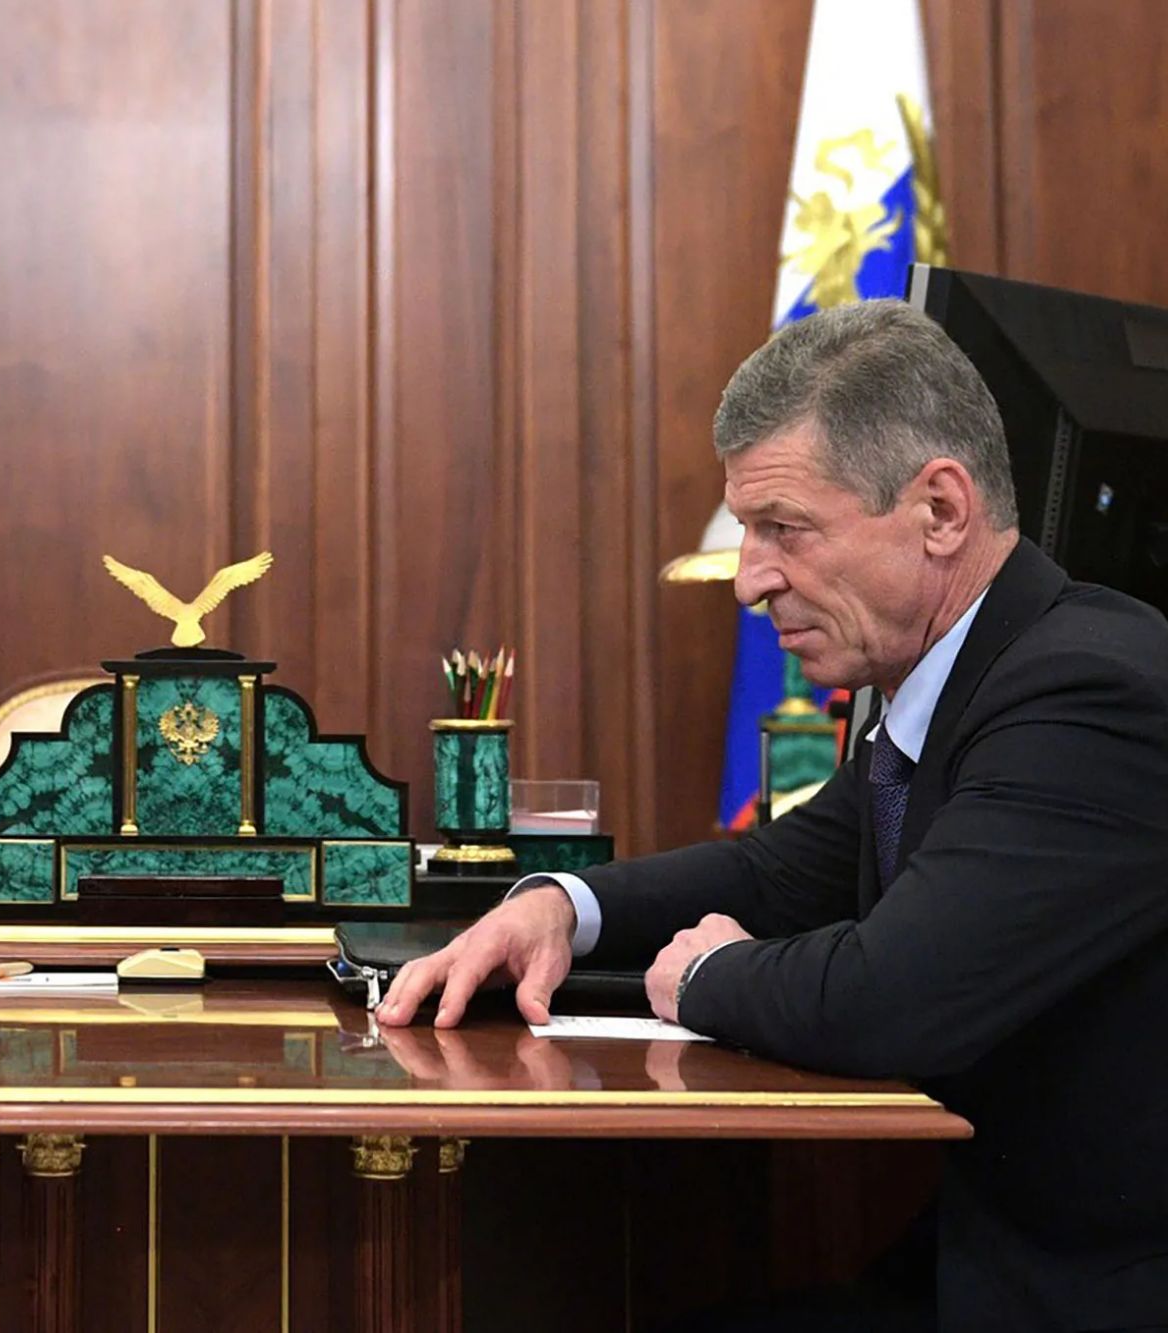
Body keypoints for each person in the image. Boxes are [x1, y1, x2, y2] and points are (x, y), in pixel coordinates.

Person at [379, 300, 1168, 1331]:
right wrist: (558, 906)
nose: (748, 581)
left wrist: (706, 974)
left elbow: (890, 999)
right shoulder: (950, 679)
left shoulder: (1086, 693)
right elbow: (777, 872)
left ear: (940, 510)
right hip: (974, 1261)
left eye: (783, 529)